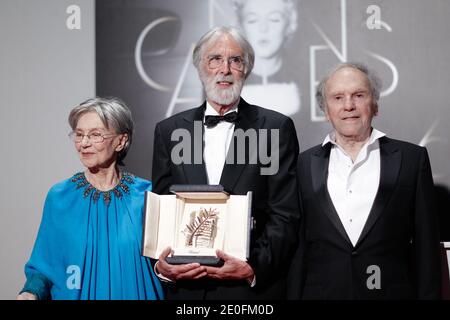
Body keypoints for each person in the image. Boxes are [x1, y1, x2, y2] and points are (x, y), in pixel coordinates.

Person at [152, 26, 300, 299]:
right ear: (199, 68)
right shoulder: (169, 131)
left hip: (248, 293)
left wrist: (252, 267)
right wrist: (162, 267)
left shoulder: (276, 128)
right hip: (188, 292)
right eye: (215, 59)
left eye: (236, 60)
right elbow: (163, 209)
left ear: (247, 70)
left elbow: (285, 214)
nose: (225, 69)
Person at [287, 62, 441, 299]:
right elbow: (298, 250)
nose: (348, 105)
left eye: (358, 95)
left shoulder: (412, 159)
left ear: (375, 105)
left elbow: (426, 247)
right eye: (338, 98)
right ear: (326, 110)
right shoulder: (304, 164)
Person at [17, 97, 163, 300]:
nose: (84, 143)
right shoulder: (60, 197)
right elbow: (44, 266)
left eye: (95, 135)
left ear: (121, 141)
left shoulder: (148, 195)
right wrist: (30, 292)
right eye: (79, 135)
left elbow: (167, 266)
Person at [231, 0, 300, 115]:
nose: (263, 29)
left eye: (274, 19)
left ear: (289, 25)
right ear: (240, 27)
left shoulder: (305, 81)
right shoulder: (222, 83)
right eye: (252, 20)